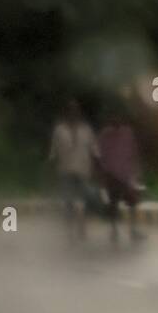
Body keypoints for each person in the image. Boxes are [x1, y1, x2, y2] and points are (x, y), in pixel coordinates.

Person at [48, 98, 99, 243]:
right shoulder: (59, 130)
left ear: (79, 112)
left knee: (83, 201)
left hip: (83, 170)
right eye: (70, 110)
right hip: (65, 170)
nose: (73, 113)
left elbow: (94, 150)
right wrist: (51, 171)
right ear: (66, 112)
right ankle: (69, 230)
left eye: (75, 110)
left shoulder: (86, 130)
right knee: (68, 201)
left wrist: (97, 169)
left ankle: (82, 227)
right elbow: (53, 152)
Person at [97, 105, 145, 245]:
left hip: (126, 175)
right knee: (113, 204)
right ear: (110, 119)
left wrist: (137, 172)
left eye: (118, 118)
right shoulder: (104, 135)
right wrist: (103, 174)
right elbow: (100, 156)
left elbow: (134, 153)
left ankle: (133, 230)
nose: (116, 120)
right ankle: (114, 230)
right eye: (113, 118)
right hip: (111, 176)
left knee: (133, 202)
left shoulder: (128, 133)